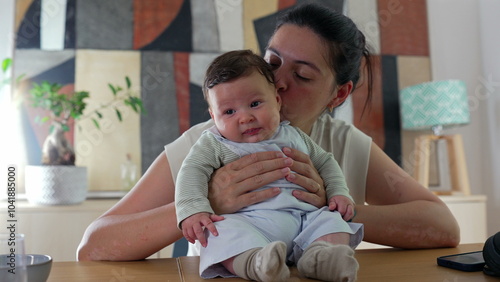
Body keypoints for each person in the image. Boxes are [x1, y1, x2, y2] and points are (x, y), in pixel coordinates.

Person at [77, 3, 460, 263]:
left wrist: (337, 207)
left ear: (339, 93)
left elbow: (443, 227)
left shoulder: (344, 144)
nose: (276, 82)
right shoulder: (206, 142)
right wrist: (206, 202)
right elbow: (93, 247)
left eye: (303, 76)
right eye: (272, 62)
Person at [176, 50, 362, 281]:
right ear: (214, 117)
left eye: (254, 103)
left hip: (304, 220)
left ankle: (321, 259)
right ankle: (257, 264)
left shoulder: (293, 135)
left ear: (276, 99)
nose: (245, 118)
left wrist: (338, 192)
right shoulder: (214, 142)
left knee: (332, 220)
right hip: (249, 223)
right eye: (229, 111)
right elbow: (191, 170)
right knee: (219, 231)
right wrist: (194, 209)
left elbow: (325, 161)